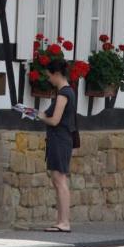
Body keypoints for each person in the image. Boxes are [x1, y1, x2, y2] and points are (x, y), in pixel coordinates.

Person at [37, 57, 76, 233]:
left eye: (49, 76)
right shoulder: (68, 92)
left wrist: (40, 117)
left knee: (60, 180)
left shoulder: (63, 94)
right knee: (58, 180)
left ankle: (64, 222)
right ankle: (61, 221)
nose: (49, 79)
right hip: (60, 139)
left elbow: (54, 120)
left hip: (59, 139)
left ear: (57, 74)